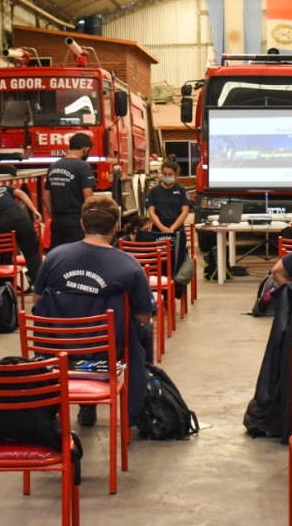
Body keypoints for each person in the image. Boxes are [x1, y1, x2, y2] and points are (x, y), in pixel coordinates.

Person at [32, 195, 154, 427]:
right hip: (105, 354)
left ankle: (79, 407)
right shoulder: (130, 265)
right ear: (116, 227)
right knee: (144, 331)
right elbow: (143, 316)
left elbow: (38, 303)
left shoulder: (54, 257)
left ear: (82, 223)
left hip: (56, 351)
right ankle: (138, 410)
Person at [43, 132, 96, 249]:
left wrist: (54, 216)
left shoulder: (53, 166)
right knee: (77, 256)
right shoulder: (83, 166)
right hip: (75, 222)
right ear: (85, 149)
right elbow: (89, 198)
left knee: (58, 255)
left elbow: (46, 197)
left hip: (57, 221)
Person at [144, 159, 190, 293]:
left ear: (176, 175)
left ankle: (176, 291)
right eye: (165, 174)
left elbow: (185, 211)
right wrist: (162, 228)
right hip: (158, 231)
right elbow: (151, 212)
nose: (167, 177)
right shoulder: (154, 191)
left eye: (170, 174)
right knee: (158, 262)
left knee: (177, 262)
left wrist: (173, 228)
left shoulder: (181, 191)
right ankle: (158, 293)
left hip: (177, 231)